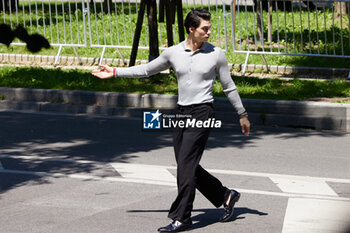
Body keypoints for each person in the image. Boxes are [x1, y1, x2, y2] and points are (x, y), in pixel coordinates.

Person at [92, 8, 250, 232]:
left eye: (210, 27)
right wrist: (116, 72)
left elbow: (229, 87)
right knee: (187, 165)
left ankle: (183, 217)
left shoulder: (216, 54)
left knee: (185, 166)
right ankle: (225, 195)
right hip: (182, 112)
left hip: (203, 112)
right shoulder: (173, 53)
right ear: (191, 29)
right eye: (205, 28)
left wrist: (242, 114)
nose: (209, 32)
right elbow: (147, 70)